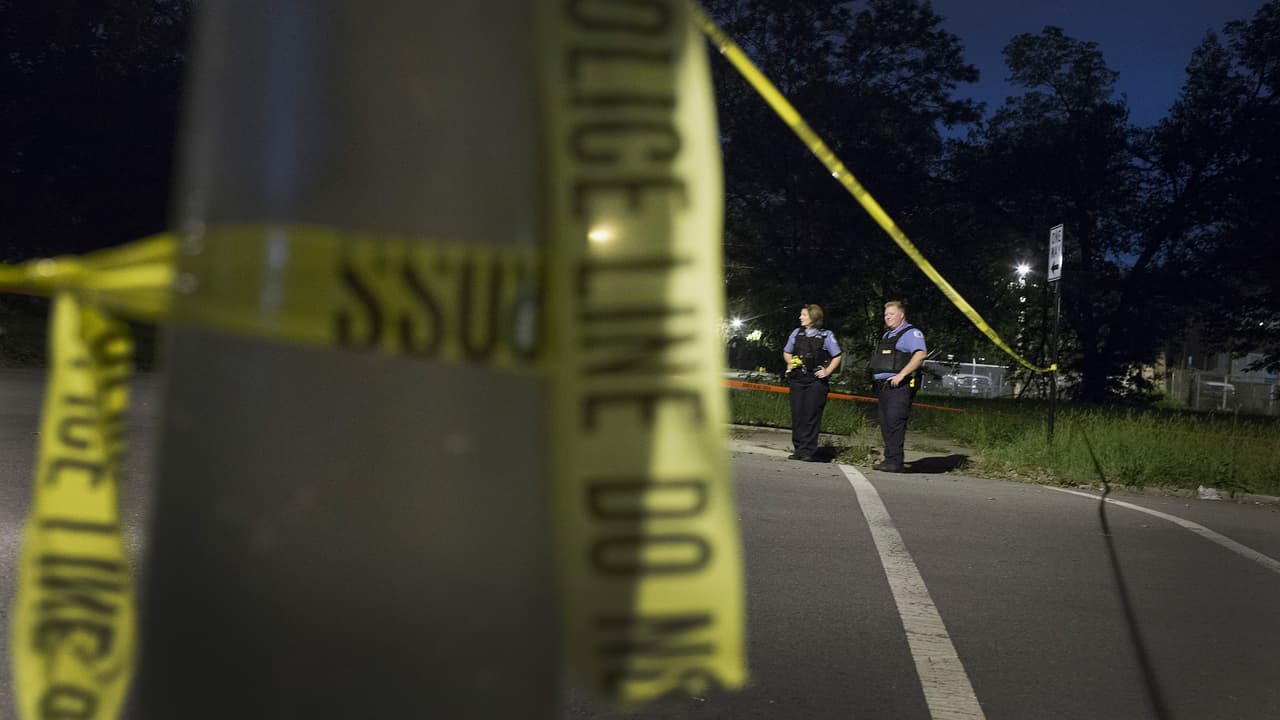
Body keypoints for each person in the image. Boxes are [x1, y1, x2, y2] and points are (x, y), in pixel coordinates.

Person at [869, 300, 926, 472]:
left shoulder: (911, 333)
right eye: (886, 315)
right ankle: (890, 459)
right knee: (886, 423)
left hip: (900, 386)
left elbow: (920, 355)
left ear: (901, 315)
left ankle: (895, 462)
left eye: (891, 314)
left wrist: (902, 374)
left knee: (895, 422)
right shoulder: (888, 335)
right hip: (886, 387)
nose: (887, 318)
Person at [782, 304, 842, 462]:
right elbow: (787, 352)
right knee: (797, 415)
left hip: (815, 381)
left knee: (811, 415)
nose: (800, 317)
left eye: (804, 315)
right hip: (798, 379)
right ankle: (798, 449)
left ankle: (808, 450)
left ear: (813, 318)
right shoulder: (797, 333)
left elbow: (837, 356)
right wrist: (790, 363)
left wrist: (827, 371)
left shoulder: (826, 335)